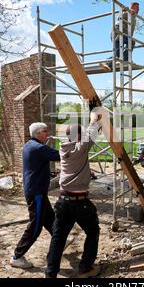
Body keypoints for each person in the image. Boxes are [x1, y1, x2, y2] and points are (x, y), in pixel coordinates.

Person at [45, 112, 102, 278]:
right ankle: (85, 268)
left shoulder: (64, 149)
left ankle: (50, 273)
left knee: (58, 237)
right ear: (78, 135)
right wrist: (93, 119)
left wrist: (85, 172)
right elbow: (90, 135)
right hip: (79, 202)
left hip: (63, 201)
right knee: (93, 231)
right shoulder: (80, 148)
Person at [9, 122, 60, 269]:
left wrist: (46, 146)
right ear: (37, 134)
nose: (47, 133)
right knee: (36, 226)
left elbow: (44, 153)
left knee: (50, 219)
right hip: (36, 192)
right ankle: (17, 256)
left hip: (37, 191)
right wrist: (71, 146)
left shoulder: (29, 145)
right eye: (45, 131)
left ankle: (59, 241)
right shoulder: (39, 148)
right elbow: (59, 156)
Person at [104, 2, 140, 70]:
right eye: (137, 8)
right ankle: (123, 59)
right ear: (132, 7)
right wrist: (127, 11)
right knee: (131, 43)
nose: (138, 9)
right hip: (118, 33)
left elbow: (130, 32)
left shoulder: (134, 18)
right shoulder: (127, 12)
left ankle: (109, 64)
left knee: (119, 54)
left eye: (138, 8)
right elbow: (119, 18)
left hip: (123, 35)